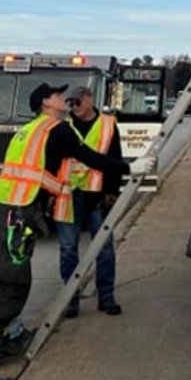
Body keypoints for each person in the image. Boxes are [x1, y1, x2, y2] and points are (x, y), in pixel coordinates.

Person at [0, 82, 151, 380]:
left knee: (1, 284)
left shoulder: (31, 129)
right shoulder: (56, 129)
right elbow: (88, 156)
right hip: (14, 214)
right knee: (7, 287)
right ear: (47, 102)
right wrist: (131, 167)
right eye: (60, 95)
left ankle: (2, 344)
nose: (65, 99)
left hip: (0, 211)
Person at [58, 86, 127, 318]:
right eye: (70, 103)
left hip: (97, 196)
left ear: (89, 100)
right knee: (68, 250)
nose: (73, 107)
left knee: (104, 248)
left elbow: (114, 158)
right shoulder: (63, 125)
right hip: (68, 195)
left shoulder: (108, 124)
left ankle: (106, 297)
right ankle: (71, 300)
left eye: (77, 102)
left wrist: (112, 192)